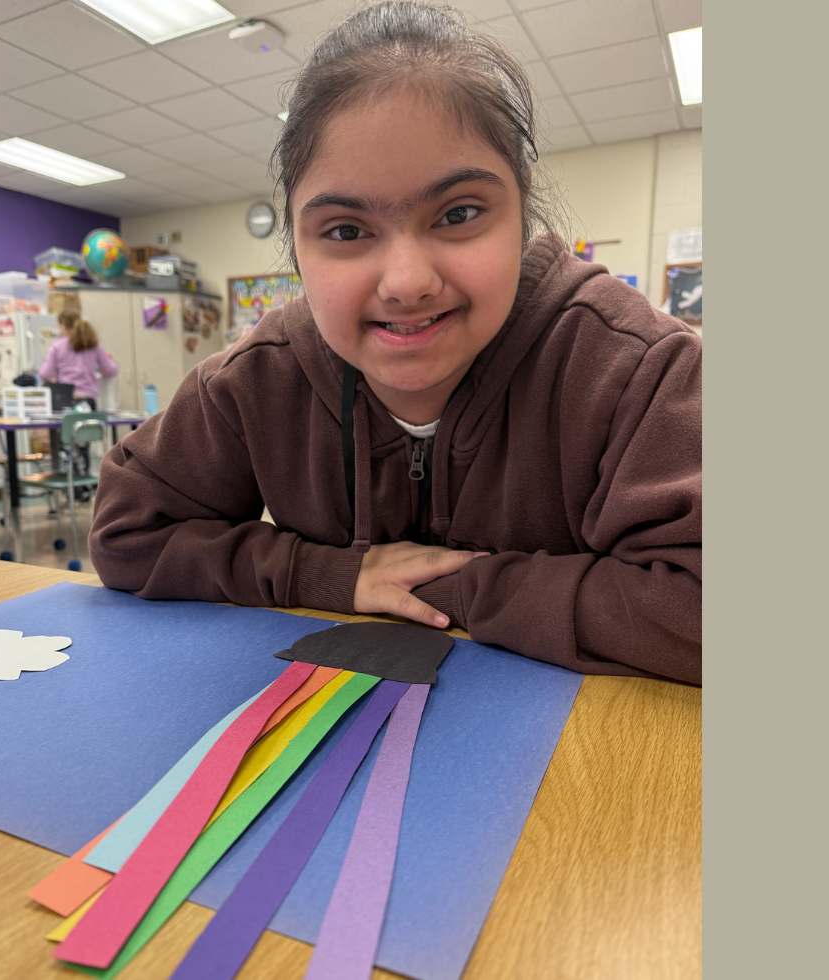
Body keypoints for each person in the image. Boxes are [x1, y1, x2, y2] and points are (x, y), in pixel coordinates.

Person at [88, 2, 702, 685]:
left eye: (460, 214)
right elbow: (126, 533)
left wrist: (459, 588)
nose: (408, 282)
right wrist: (326, 574)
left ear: (521, 207)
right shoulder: (258, 380)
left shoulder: (634, 370)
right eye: (347, 231)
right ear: (295, 241)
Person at [40, 312, 119, 497]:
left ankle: (69, 489)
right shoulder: (93, 346)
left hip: (66, 402)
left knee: (66, 445)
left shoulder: (57, 347)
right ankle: (83, 487)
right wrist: (113, 363)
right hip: (87, 403)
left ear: (63, 326)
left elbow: (44, 374)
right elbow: (109, 370)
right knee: (82, 444)